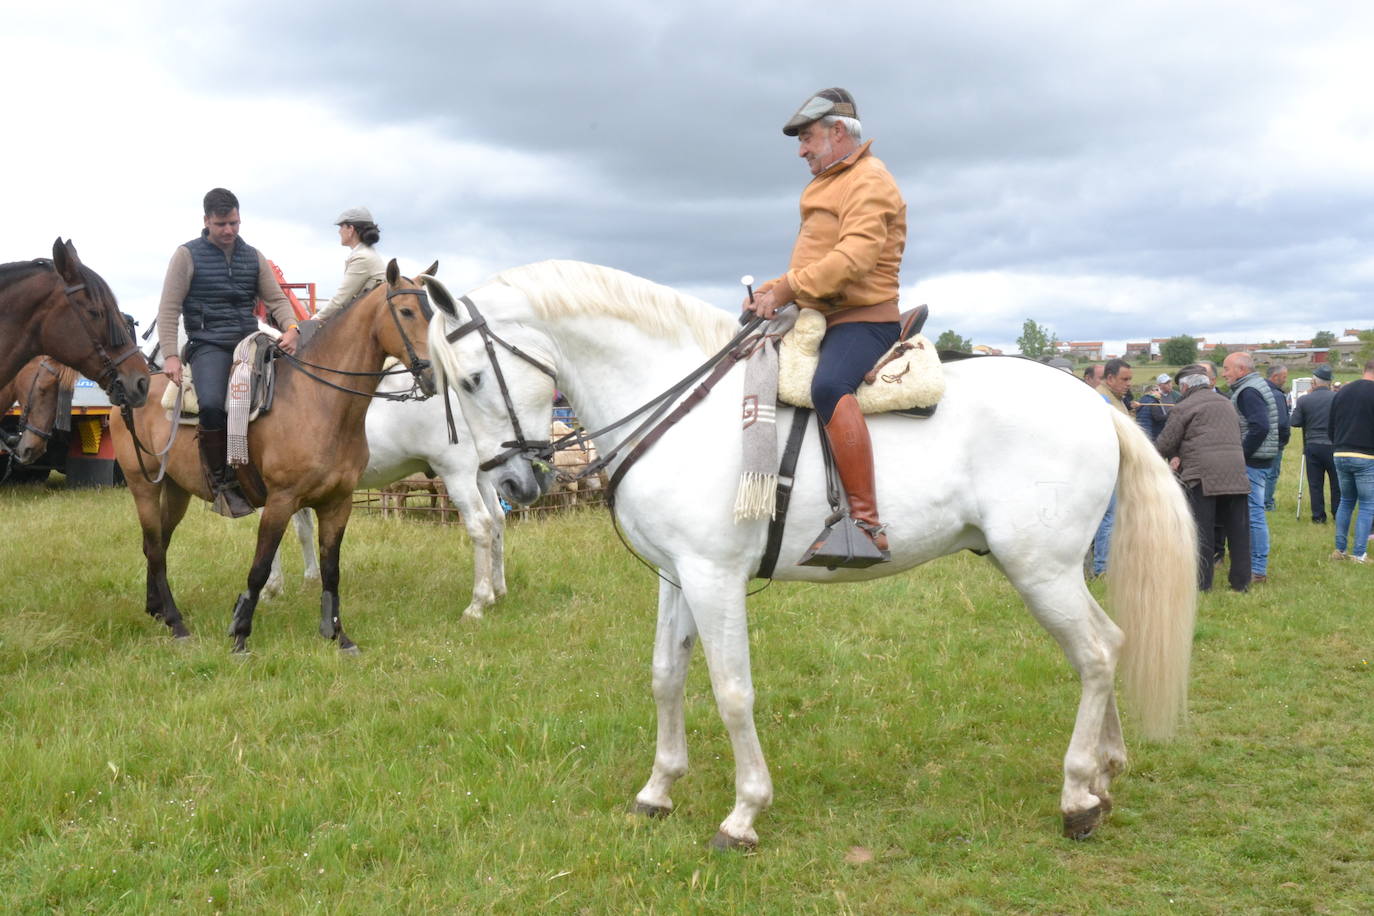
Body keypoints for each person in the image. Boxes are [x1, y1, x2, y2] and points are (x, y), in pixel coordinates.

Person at [745, 87, 906, 562]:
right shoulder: (831, 180)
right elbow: (815, 263)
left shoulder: (869, 179)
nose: (801, 150)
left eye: (808, 138)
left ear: (838, 132)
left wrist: (787, 288)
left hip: (863, 319)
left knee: (830, 386)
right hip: (823, 313)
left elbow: (853, 260)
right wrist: (773, 290)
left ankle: (865, 524)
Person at [158, 188, 301, 518]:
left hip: (250, 341)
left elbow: (277, 301)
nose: (229, 230)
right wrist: (170, 355)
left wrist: (291, 328)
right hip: (208, 344)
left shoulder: (253, 256)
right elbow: (168, 308)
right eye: (221, 224)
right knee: (210, 405)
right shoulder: (186, 255)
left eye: (234, 223)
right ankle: (221, 483)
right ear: (206, 221)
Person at [1154, 366, 1251, 591]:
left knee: (1202, 531)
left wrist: (1170, 455)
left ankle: (1202, 583)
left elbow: (1165, 443)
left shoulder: (1184, 406)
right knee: (1238, 531)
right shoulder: (1226, 402)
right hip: (1236, 473)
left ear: (1186, 386)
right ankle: (1241, 582)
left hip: (1202, 476)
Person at [1221, 351, 1282, 583]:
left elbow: (1260, 426)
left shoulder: (1248, 391)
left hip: (1254, 462)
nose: (1224, 374)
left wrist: (1241, 454)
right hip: (1261, 458)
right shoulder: (1253, 386)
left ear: (1241, 370)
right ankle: (1255, 565)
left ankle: (1257, 569)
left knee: (1254, 515)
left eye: (1227, 369)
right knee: (1253, 513)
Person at [1327, 357, 1374, 562]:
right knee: (1366, 504)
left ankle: (1340, 550)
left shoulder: (1343, 390)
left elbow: (1331, 424)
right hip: (1366, 455)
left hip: (1340, 452)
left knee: (1346, 501)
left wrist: (1338, 443)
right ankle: (1359, 553)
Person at [1090, 358, 1134, 575]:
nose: (1128, 384)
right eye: (1124, 379)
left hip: (1115, 467)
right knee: (1108, 518)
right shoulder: (1101, 400)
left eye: (1130, 379)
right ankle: (1103, 568)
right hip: (1106, 469)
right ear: (1109, 378)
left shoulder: (1116, 399)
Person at [1289, 364, 1341, 523]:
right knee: (1336, 484)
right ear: (1330, 382)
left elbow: (1295, 422)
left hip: (1312, 445)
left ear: (1314, 382)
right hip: (1334, 445)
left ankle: (1318, 516)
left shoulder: (1305, 399)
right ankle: (1337, 513)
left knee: (1315, 484)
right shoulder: (1337, 398)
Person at [315, 207, 385, 321]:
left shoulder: (362, 257)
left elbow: (341, 300)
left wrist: (315, 318)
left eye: (341, 226)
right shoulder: (368, 254)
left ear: (350, 229)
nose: (339, 231)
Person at [1262, 364, 1292, 511]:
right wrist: (1284, 439)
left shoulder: (1259, 390)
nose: (1285, 380)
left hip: (1259, 439)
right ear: (1275, 377)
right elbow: (1282, 422)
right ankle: (1267, 503)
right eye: (1284, 377)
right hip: (1274, 442)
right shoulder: (1277, 395)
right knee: (1271, 474)